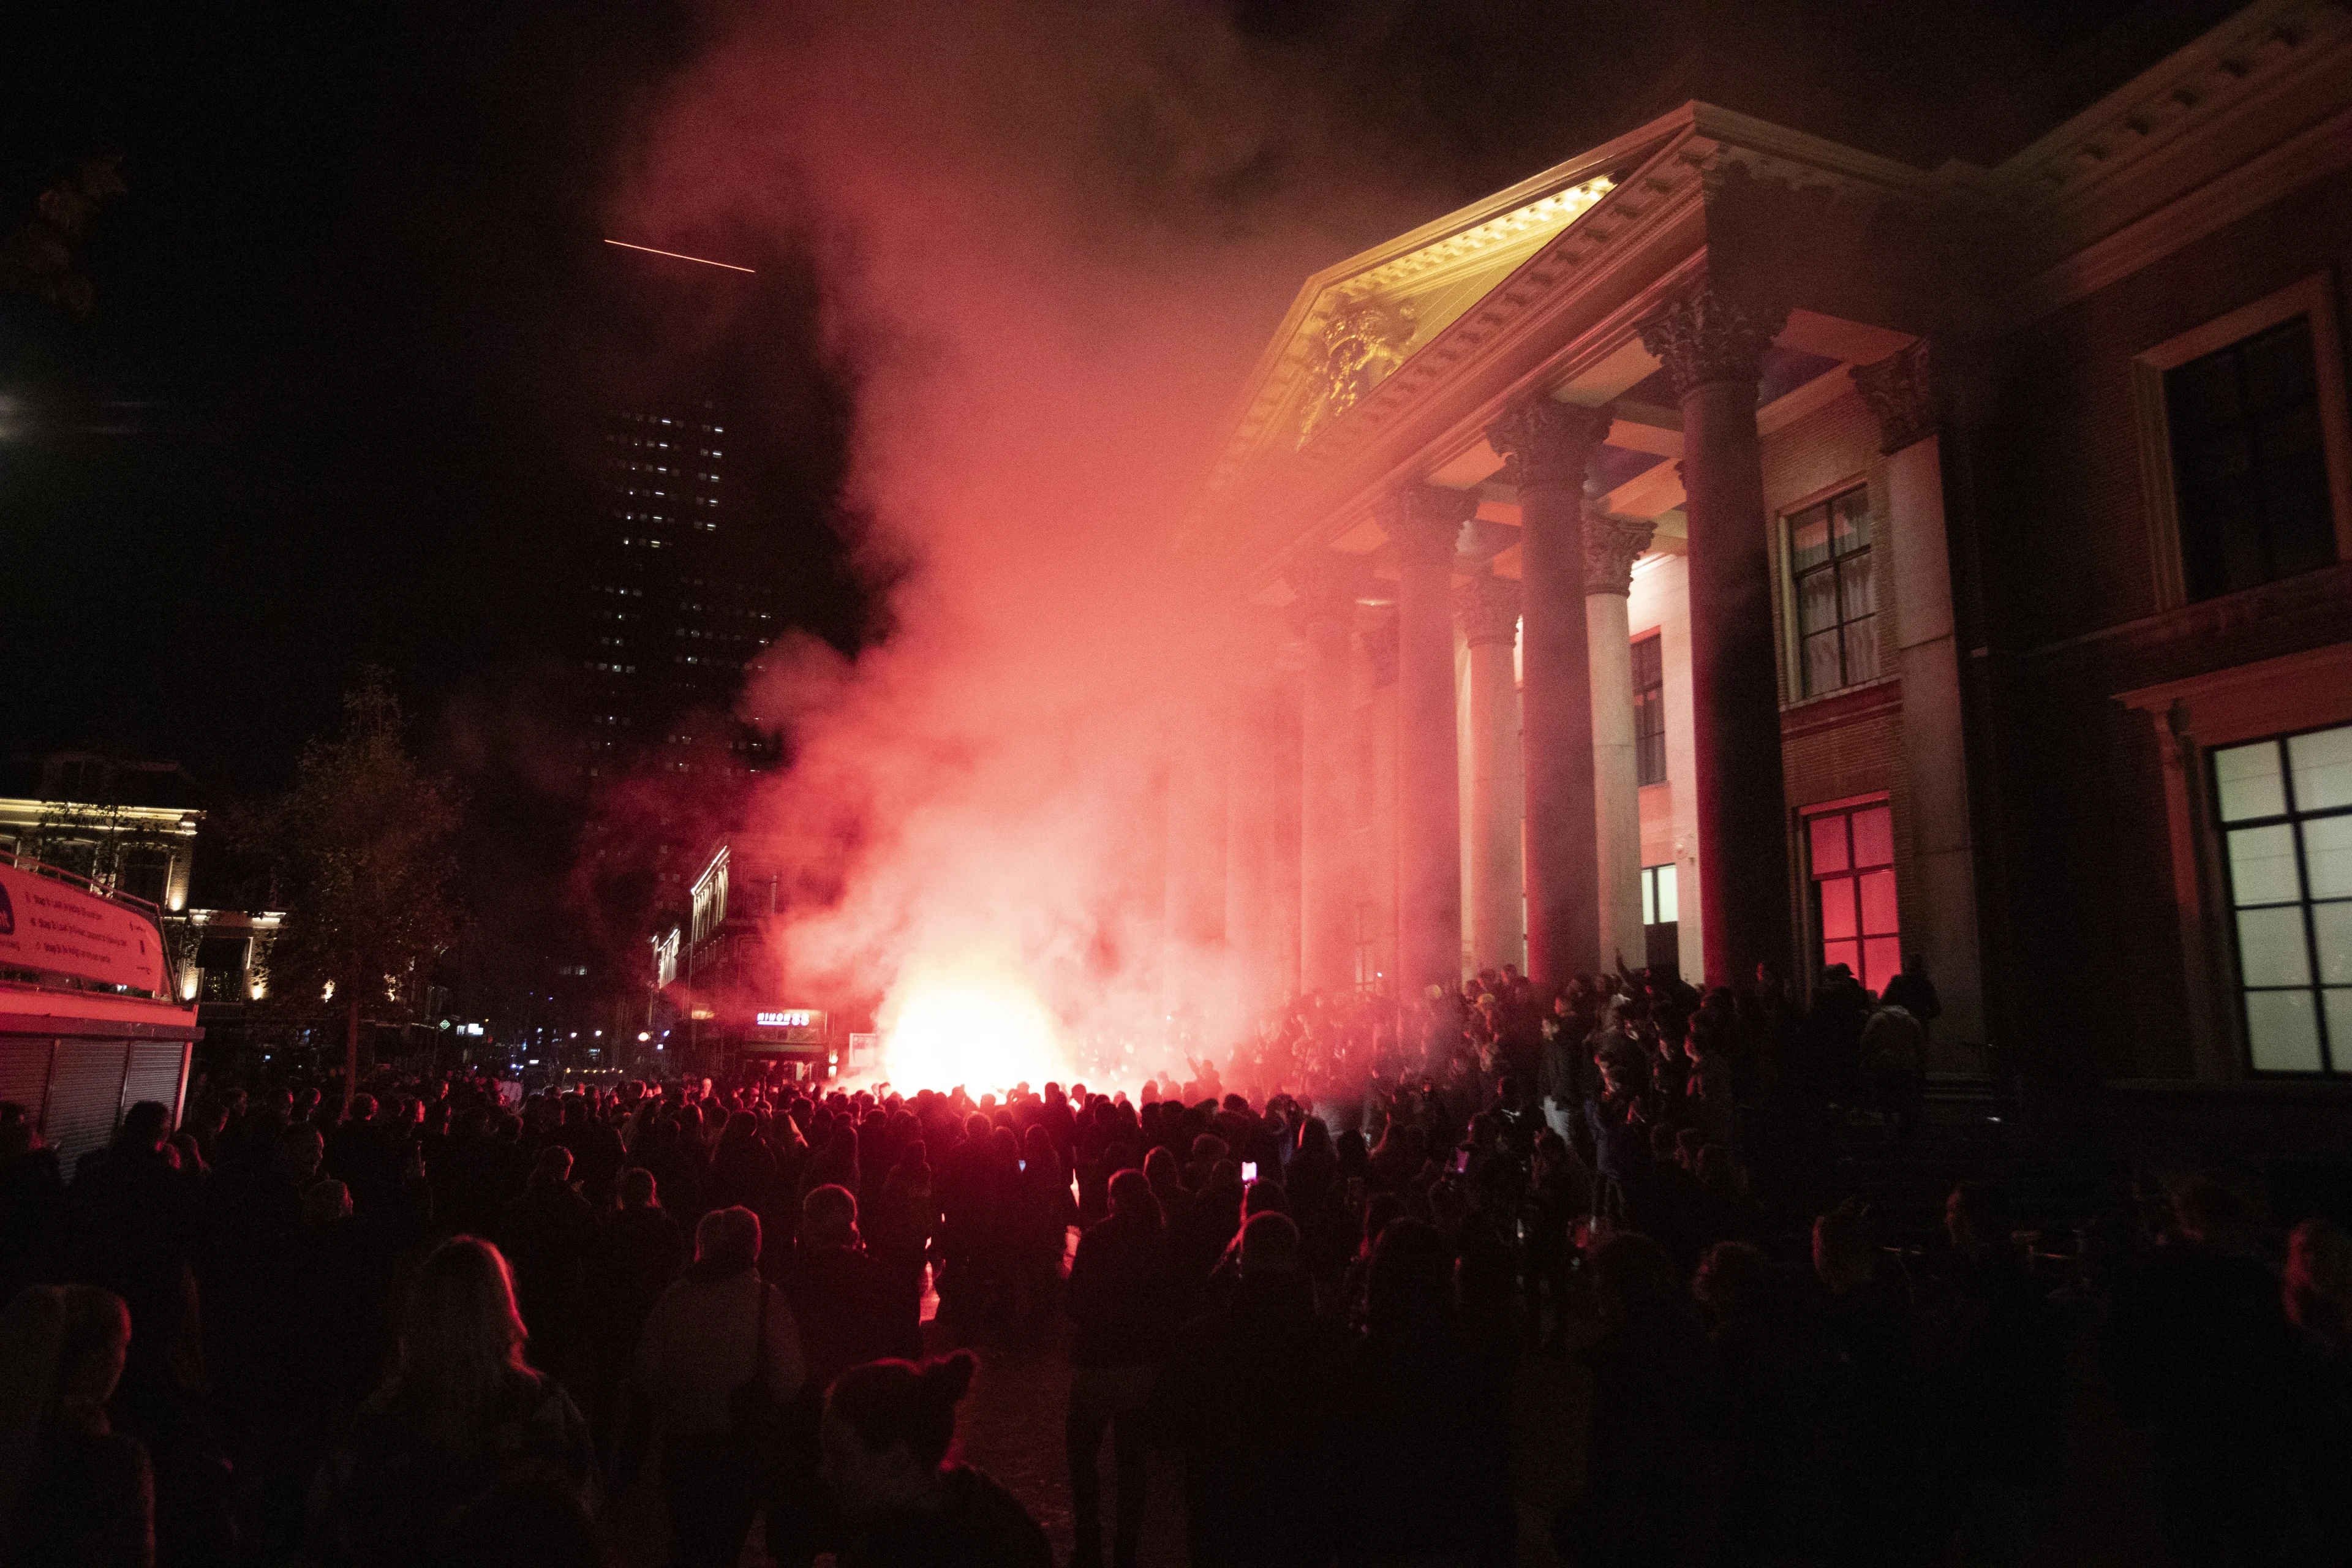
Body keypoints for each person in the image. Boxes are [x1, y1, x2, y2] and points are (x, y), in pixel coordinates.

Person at [314, 1236, 595, 1568]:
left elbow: (329, 1520)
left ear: (422, 1314)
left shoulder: (384, 1416)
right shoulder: (545, 1408)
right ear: (503, 1308)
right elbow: (585, 1515)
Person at [1150, 1211, 1336, 1568]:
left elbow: (1162, 1428)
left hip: (1222, 1518)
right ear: (1294, 1261)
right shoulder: (1327, 1342)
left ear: (1241, 1261)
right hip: (1304, 1521)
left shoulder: (1201, 1340)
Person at [633, 1204, 805, 1568]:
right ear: (754, 1246)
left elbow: (647, 1374)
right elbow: (791, 1381)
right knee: (722, 1547)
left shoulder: (674, 1298)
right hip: (738, 1449)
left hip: (681, 1444)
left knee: (685, 1541)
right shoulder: (766, 1300)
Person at [821, 1352, 1051, 1568]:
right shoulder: (993, 1509)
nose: (824, 1470)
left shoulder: (884, 1551)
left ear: (899, 1460)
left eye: (840, 1455)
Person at [1063, 1169, 1175, 1568]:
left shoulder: (1097, 1240)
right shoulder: (1160, 1242)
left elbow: (1075, 1303)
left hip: (1098, 1360)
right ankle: (1126, 1547)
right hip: (1141, 1363)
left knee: (1082, 1457)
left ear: (1112, 1199)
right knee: (1132, 1462)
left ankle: (1089, 1543)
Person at [0, 1283, 153, 1568]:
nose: (124, 1360)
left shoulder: (17, 1440)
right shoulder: (118, 1461)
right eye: (122, 1345)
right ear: (98, 1357)